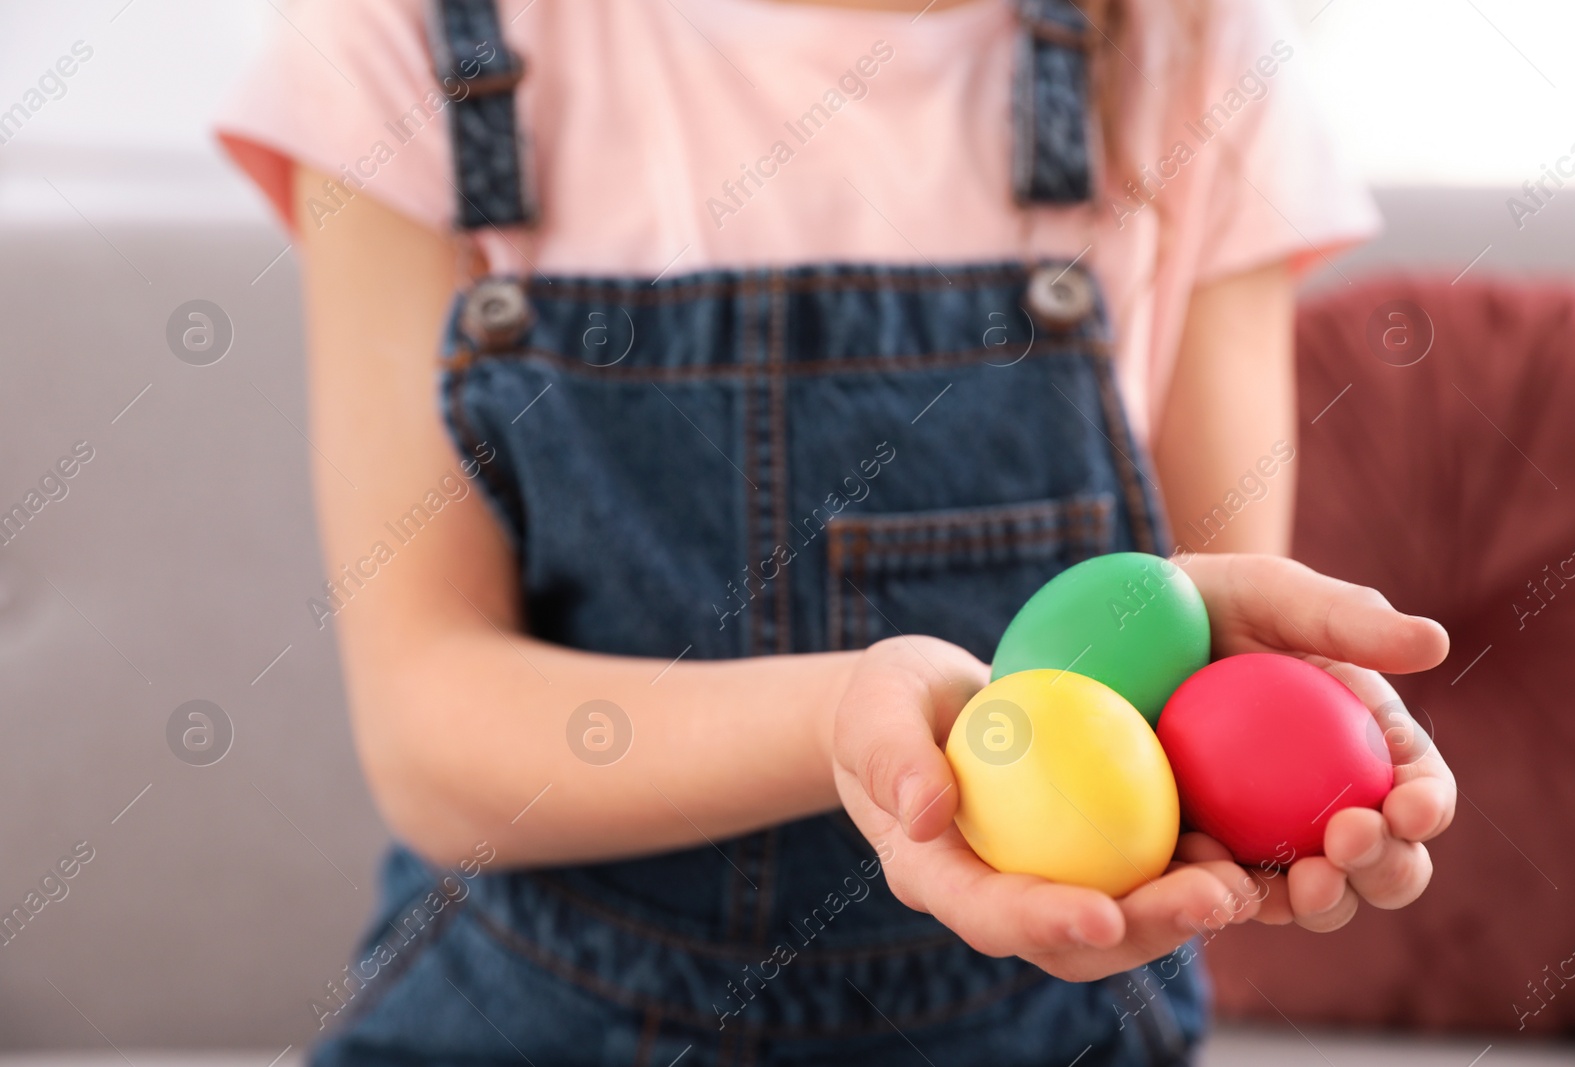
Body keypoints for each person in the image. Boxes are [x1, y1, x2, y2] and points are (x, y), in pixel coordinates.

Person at [217, 0, 1456, 1062]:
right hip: (531, 1010)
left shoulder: (1181, 45)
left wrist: (1272, 739)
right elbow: (429, 733)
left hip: (1035, 1016)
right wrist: (848, 719)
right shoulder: (416, 42)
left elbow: (1192, 652)